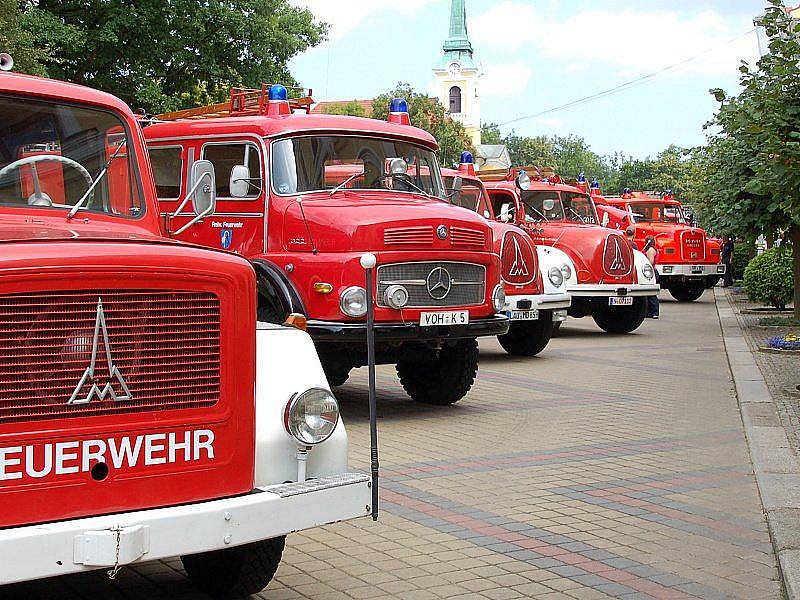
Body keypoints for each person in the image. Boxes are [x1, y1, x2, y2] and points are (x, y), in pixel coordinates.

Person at [643, 235, 659, 319]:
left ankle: (655, 311)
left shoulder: (650, 251)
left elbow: (650, 262)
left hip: (651, 272)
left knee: (651, 293)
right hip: (653, 271)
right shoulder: (653, 249)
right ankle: (650, 311)